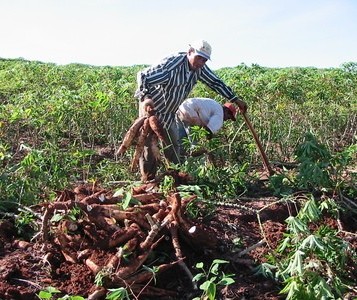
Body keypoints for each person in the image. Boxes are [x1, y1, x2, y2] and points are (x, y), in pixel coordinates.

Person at [134, 39, 247, 181]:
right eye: (198, 58)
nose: (200, 63)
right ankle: (148, 180)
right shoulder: (172, 64)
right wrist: (146, 97)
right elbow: (143, 75)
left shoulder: (199, 69)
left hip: (170, 112)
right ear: (190, 52)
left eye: (204, 60)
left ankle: (176, 179)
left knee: (173, 146)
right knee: (149, 146)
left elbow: (215, 82)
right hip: (152, 109)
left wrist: (235, 99)